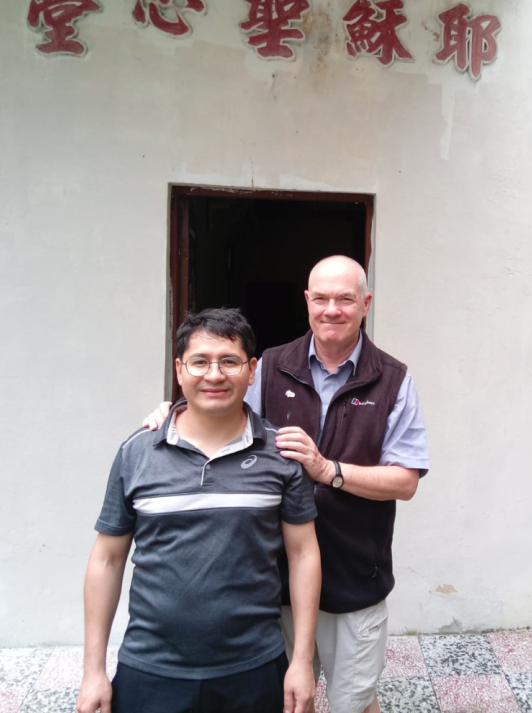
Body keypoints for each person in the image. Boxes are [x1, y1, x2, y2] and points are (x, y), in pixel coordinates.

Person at [145, 256, 428, 713]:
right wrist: (173, 411)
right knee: (292, 699)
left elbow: (405, 480)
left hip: (354, 578)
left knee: (353, 700)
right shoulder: (271, 366)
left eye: (345, 299)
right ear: (307, 302)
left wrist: (328, 469)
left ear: (365, 304)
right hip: (272, 578)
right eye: (321, 298)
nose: (331, 309)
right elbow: (219, 409)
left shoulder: (393, 380)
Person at [78, 308, 320, 713]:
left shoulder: (281, 455)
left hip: (255, 666)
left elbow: (304, 554)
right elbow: (106, 559)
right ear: (179, 369)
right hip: (151, 668)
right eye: (200, 362)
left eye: (229, 361)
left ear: (252, 370)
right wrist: (93, 671)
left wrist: (301, 662)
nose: (214, 374)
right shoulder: (138, 452)